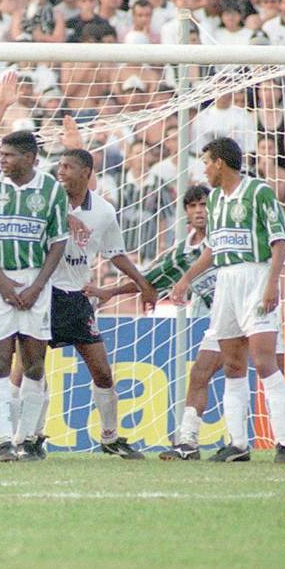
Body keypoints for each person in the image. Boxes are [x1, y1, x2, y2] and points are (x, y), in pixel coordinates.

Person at [171, 137, 285, 462]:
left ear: (220, 163)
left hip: (256, 277)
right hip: (226, 282)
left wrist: (272, 284)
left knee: (264, 360)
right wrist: (186, 279)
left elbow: (280, 241)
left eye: (206, 162)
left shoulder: (259, 192)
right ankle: (239, 444)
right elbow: (213, 249)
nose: (204, 169)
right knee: (232, 364)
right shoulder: (215, 201)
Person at [93, 185, 221, 460]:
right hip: (222, 319)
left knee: (278, 370)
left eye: (204, 205)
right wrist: (109, 292)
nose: (200, 211)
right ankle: (190, 441)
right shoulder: (182, 253)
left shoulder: (225, 236)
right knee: (205, 374)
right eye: (193, 206)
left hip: (252, 308)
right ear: (186, 212)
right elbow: (149, 281)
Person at [48, 144, 157, 459]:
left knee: (103, 371)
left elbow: (116, 253)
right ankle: (26, 437)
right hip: (44, 293)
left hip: (78, 296)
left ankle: (110, 437)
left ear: (86, 173)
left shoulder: (104, 211)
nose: (61, 172)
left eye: (68, 166)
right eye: (60, 166)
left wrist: (143, 283)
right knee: (30, 369)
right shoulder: (47, 202)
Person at [0, 129, 68, 461]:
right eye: (1, 153)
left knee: (34, 363)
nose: (3, 159)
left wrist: (38, 285)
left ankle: (26, 438)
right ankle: (1, 440)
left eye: (10, 154)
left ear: (30, 158)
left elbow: (58, 242)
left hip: (35, 281)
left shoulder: (52, 190)